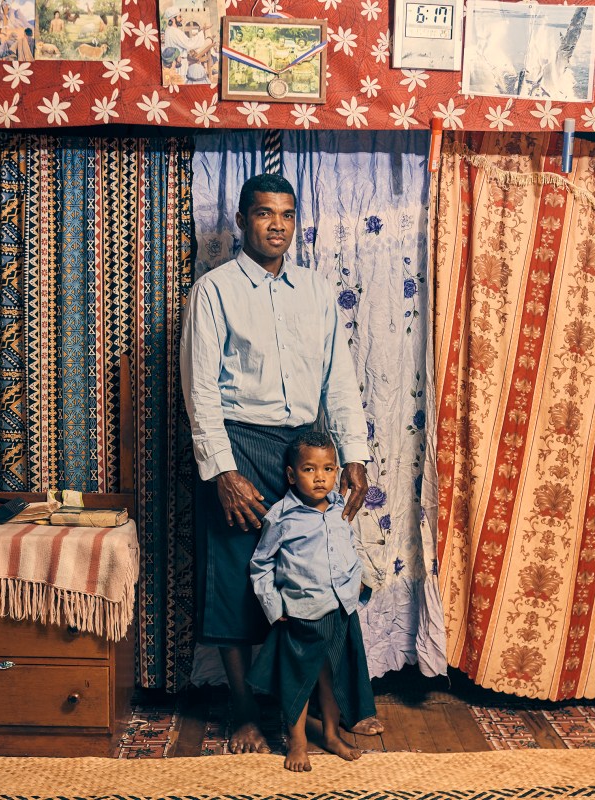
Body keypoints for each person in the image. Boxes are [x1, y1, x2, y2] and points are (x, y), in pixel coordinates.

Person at [181, 173, 382, 755]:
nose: (276, 225)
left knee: (319, 581)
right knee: (239, 578)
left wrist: (354, 455)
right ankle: (245, 711)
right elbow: (200, 390)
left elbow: (338, 379)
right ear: (241, 221)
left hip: (304, 452)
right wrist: (223, 472)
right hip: (239, 443)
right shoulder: (214, 291)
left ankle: (328, 708)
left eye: (287, 215)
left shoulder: (317, 292)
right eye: (264, 213)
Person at [246, 430, 376, 772]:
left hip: (340, 610)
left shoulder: (340, 509)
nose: (321, 477)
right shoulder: (281, 516)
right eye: (309, 469)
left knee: (333, 677)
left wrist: (355, 582)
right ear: (292, 474)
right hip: (302, 613)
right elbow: (261, 565)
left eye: (329, 469)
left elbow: (346, 548)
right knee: (298, 680)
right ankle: (298, 743)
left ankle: (332, 735)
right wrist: (274, 608)